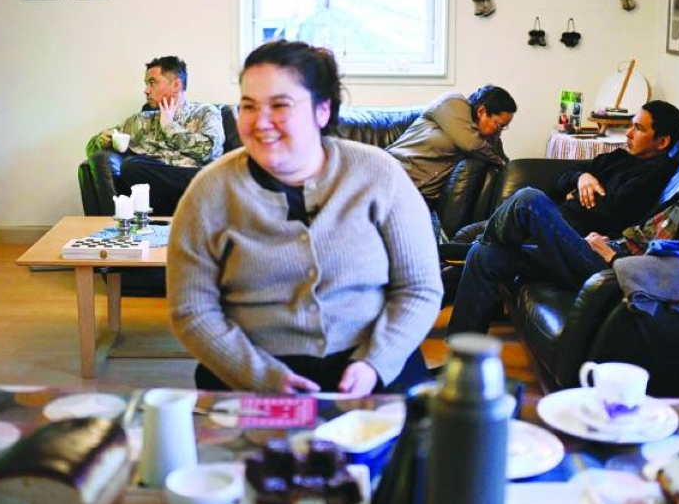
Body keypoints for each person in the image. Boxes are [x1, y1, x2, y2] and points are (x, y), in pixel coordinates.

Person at [167, 40, 443, 395]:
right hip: (249, 374)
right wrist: (261, 377)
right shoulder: (209, 192)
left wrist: (375, 362)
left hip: (377, 366)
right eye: (248, 107)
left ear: (322, 110)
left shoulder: (379, 175)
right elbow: (191, 310)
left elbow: (420, 288)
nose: (260, 122)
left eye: (280, 105)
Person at [448, 113, 679, 336]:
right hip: (608, 250)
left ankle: (447, 252)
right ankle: (461, 357)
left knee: (529, 199)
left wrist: (613, 255)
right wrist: (610, 240)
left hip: (612, 271)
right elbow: (642, 229)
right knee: (485, 255)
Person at [90, 55, 225, 216]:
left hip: (198, 185)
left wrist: (168, 126)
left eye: (152, 83)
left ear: (176, 85)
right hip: (158, 191)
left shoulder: (205, 112)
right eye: (146, 84)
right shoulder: (141, 120)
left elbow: (208, 150)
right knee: (131, 167)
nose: (146, 90)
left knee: (214, 177)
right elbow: (93, 146)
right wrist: (100, 140)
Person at [386, 85, 517, 203]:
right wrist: (498, 159)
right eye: (499, 125)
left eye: (503, 128)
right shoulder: (452, 103)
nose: (499, 132)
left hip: (417, 196)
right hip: (391, 173)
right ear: (481, 112)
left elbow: (505, 164)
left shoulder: (487, 139)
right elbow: (469, 144)